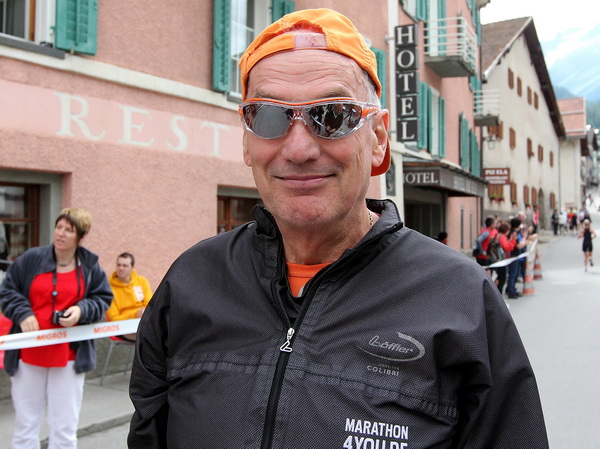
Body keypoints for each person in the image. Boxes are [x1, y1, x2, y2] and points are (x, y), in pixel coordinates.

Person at [128, 8, 549, 448]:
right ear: (247, 141)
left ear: (378, 139)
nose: (299, 148)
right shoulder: (191, 281)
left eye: (333, 115)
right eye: (268, 116)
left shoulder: (459, 297)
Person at [0, 207, 112, 449]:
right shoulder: (31, 258)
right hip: (29, 353)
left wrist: (81, 310)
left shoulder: (90, 266)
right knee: (25, 426)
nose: (60, 233)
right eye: (58, 227)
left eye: (68, 230)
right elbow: (7, 291)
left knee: (64, 428)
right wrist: (23, 313)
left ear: (80, 236)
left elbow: (103, 298)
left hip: (69, 355)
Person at [106, 252, 152, 341]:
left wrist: (143, 312)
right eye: (118, 265)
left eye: (125, 266)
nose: (120, 268)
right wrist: (134, 315)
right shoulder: (109, 289)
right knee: (145, 338)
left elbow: (151, 305)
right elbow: (114, 319)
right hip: (124, 326)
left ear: (132, 268)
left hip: (144, 320)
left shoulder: (142, 281)